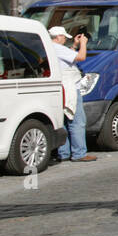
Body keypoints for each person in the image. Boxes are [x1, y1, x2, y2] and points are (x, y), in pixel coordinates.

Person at [48, 26, 96, 163]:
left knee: (62, 120)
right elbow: (81, 57)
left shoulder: (50, 48)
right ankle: (79, 152)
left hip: (59, 88)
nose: (64, 39)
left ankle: (63, 152)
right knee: (76, 120)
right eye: (63, 37)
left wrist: (74, 45)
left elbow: (68, 59)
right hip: (69, 87)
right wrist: (83, 44)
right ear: (57, 37)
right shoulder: (58, 48)